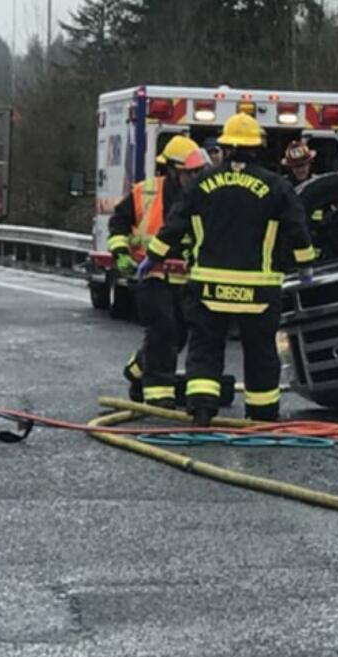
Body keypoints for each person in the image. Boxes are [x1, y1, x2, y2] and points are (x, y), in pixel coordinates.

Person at [140, 113, 316, 425]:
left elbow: (174, 224)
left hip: (209, 286)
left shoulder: (203, 183)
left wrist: (153, 256)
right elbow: (297, 229)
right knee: (260, 351)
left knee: (206, 348)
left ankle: (202, 410)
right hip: (259, 289)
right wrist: (305, 267)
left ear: (226, 145)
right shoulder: (276, 186)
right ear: (258, 147)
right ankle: (262, 415)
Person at [110, 136, 205, 405]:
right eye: (190, 172)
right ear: (173, 170)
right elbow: (119, 223)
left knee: (182, 333)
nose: (195, 176)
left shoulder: (201, 196)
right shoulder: (146, 192)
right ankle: (158, 395)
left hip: (185, 278)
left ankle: (138, 369)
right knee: (163, 329)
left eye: (199, 171)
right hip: (150, 274)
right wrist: (120, 253)